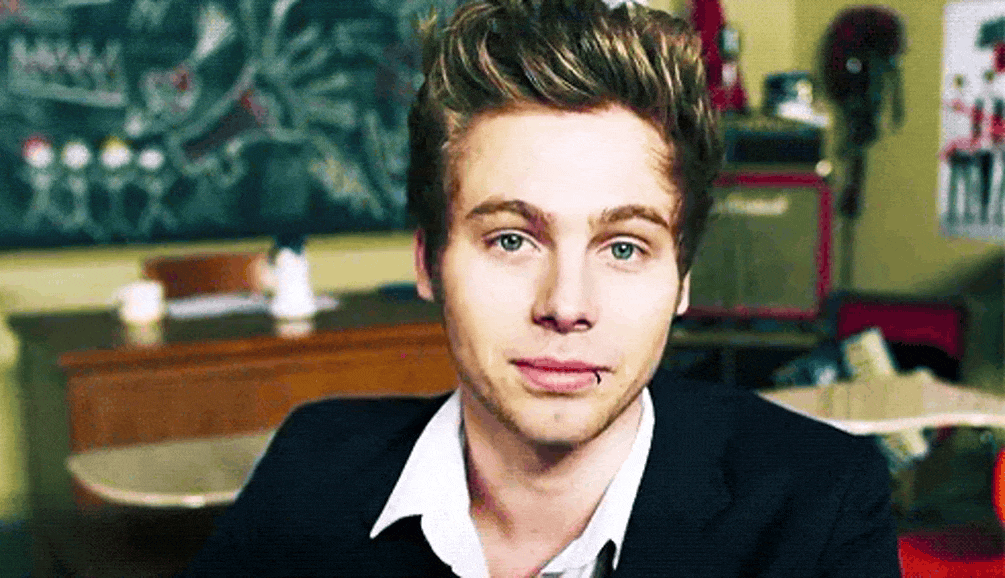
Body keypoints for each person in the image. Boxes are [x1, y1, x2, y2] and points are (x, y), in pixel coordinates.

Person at [182, 0, 901, 576]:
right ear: (428, 262)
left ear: (682, 278)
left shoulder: (819, 508)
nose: (565, 306)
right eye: (511, 240)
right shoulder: (311, 467)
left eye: (624, 247)